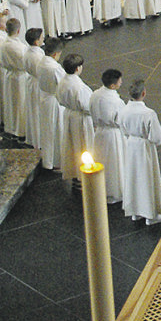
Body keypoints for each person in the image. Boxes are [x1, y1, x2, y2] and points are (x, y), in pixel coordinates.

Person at [118, 80, 161, 224]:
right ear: (144, 93)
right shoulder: (148, 113)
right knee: (147, 178)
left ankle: (135, 211)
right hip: (145, 148)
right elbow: (158, 138)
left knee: (134, 177)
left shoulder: (124, 110)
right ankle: (151, 214)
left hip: (131, 145)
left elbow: (123, 130)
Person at [89, 69, 126, 204]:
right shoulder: (115, 101)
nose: (121, 83)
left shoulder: (95, 94)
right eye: (119, 81)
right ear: (113, 85)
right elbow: (121, 119)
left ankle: (101, 188)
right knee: (114, 163)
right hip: (113, 134)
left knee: (101, 160)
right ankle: (114, 190)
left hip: (99, 132)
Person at [57, 53, 94, 184]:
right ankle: (83, 174)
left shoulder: (63, 81)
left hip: (68, 115)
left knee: (71, 145)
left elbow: (59, 99)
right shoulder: (79, 87)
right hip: (80, 119)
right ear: (78, 68)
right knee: (83, 145)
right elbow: (87, 106)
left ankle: (74, 171)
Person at [0, 18, 29, 138]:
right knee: (20, 104)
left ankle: (10, 126)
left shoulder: (2, 44)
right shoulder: (19, 47)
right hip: (20, 77)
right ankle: (20, 129)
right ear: (19, 31)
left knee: (11, 103)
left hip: (9, 75)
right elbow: (25, 63)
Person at [35, 42, 65, 170]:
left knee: (47, 130)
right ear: (55, 54)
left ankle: (48, 159)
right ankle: (56, 161)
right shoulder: (55, 68)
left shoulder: (41, 61)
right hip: (54, 100)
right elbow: (63, 85)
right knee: (56, 131)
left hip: (44, 98)